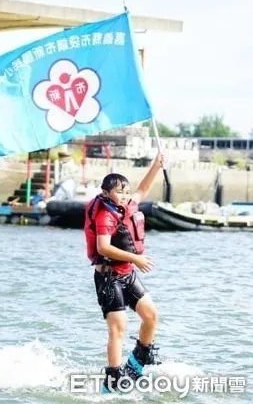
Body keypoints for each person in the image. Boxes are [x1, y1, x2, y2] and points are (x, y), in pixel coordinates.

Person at [84, 153, 165, 393]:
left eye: (126, 191)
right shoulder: (104, 214)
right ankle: (112, 380)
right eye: (120, 191)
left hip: (127, 274)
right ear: (107, 193)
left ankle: (137, 362)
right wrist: (136, 258)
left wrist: (156, 166)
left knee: (151, 316)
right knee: (119, 327)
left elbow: (142, 189)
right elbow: (103, 247)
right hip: (109, 278)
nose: (125, 195)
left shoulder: (127, 204)